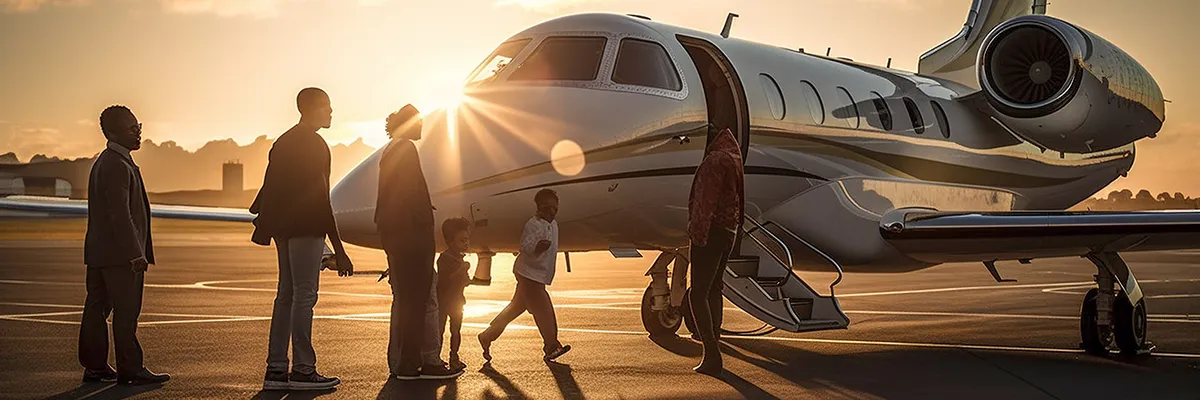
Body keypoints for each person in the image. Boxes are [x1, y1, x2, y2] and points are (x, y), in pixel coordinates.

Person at [252, 87, 352, 391]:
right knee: (305, 297)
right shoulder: (316, 145)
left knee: (285, 296)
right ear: (310, 109)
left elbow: (269, 188)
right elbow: (322, 200)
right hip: (307, 228)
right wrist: (339, 249)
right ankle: (304, 370)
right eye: (327, 107)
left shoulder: (283, 142)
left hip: (283, 229)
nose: (331, 112)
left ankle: (277, 370)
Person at [79, 105, 170, 386]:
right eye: (133, 128)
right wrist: (135, 253)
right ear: (114, 133)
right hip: (120, 257)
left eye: (138, 126)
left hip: (99, 253)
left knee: (96, 310)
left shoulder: (105, 162)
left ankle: (95, 366)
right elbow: (120, 214)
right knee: (126, 312)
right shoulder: (117, 165)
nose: (139, 132)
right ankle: (130, 369)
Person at [377, 104, 457, 380]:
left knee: (404, 300)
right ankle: (414, 364)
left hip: (398, 237)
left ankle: (401, 362)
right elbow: (409, 197)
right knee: (416, 300)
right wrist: (424, 226)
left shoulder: (390, 150)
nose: (423, 126)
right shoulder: (405, 150)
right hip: (412, 239)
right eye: (419, 121)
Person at [478, 189, 571, 363]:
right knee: (544, 308)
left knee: (515, 307)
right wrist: (537, 247)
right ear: (539, 207)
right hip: (528, 274)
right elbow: (524, 246)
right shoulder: (533, 224)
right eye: (547, 207)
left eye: (554, 207)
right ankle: (551, 345)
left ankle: (487, 336)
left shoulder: (554, 225)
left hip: (538, 275)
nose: (551, 211)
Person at [687, 126, 744, 376]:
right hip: (728, 231)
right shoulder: (733, 158)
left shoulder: (714, 161)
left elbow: (705, 200)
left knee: (697, 293)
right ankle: (714, 348)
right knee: (714, 289)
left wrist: (697, 234)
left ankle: (711, 353)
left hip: (711, 233)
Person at [437, 217, 473, 371]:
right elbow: (447, 279)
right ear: (450, 241)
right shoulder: (444, 258)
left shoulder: (460, 259)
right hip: (444, 301)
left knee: (456, 330)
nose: (465, 243)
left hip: (458, 301)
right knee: (439, 330)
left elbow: (465, 281)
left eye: (466, 240)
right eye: (462, 240)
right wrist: (462, 270)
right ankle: (435, 357)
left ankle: (454, 356)